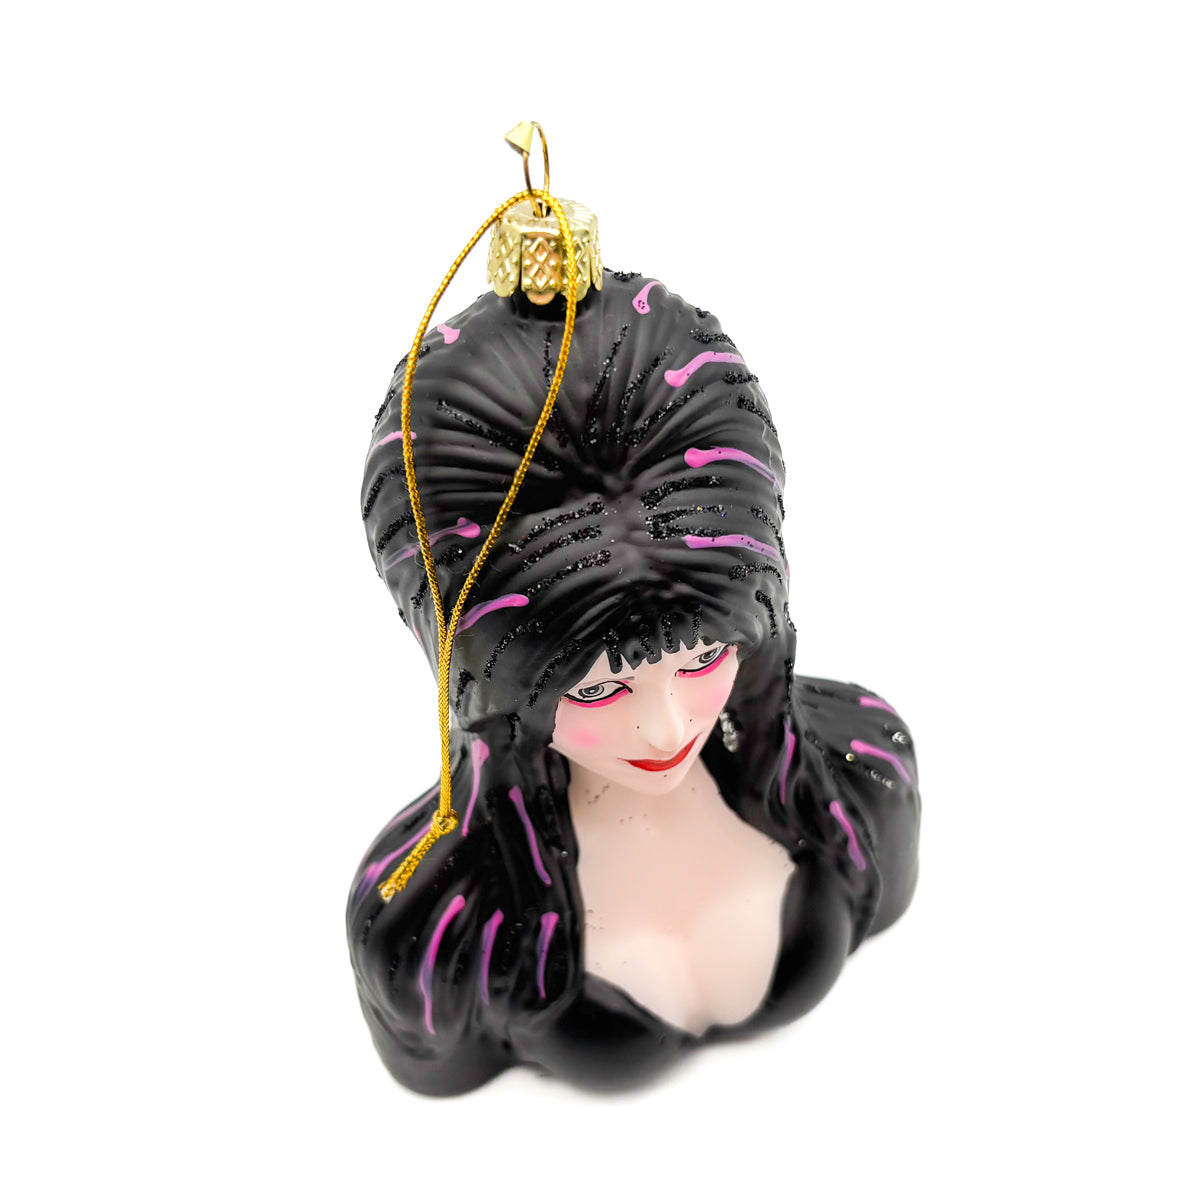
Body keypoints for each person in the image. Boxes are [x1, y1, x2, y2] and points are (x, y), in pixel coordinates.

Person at [347, 270, 920, 1095]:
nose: (667, 728)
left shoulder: (866, 786)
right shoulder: (431, 942)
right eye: (595, 691)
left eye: (702, 658)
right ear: (479, 678)